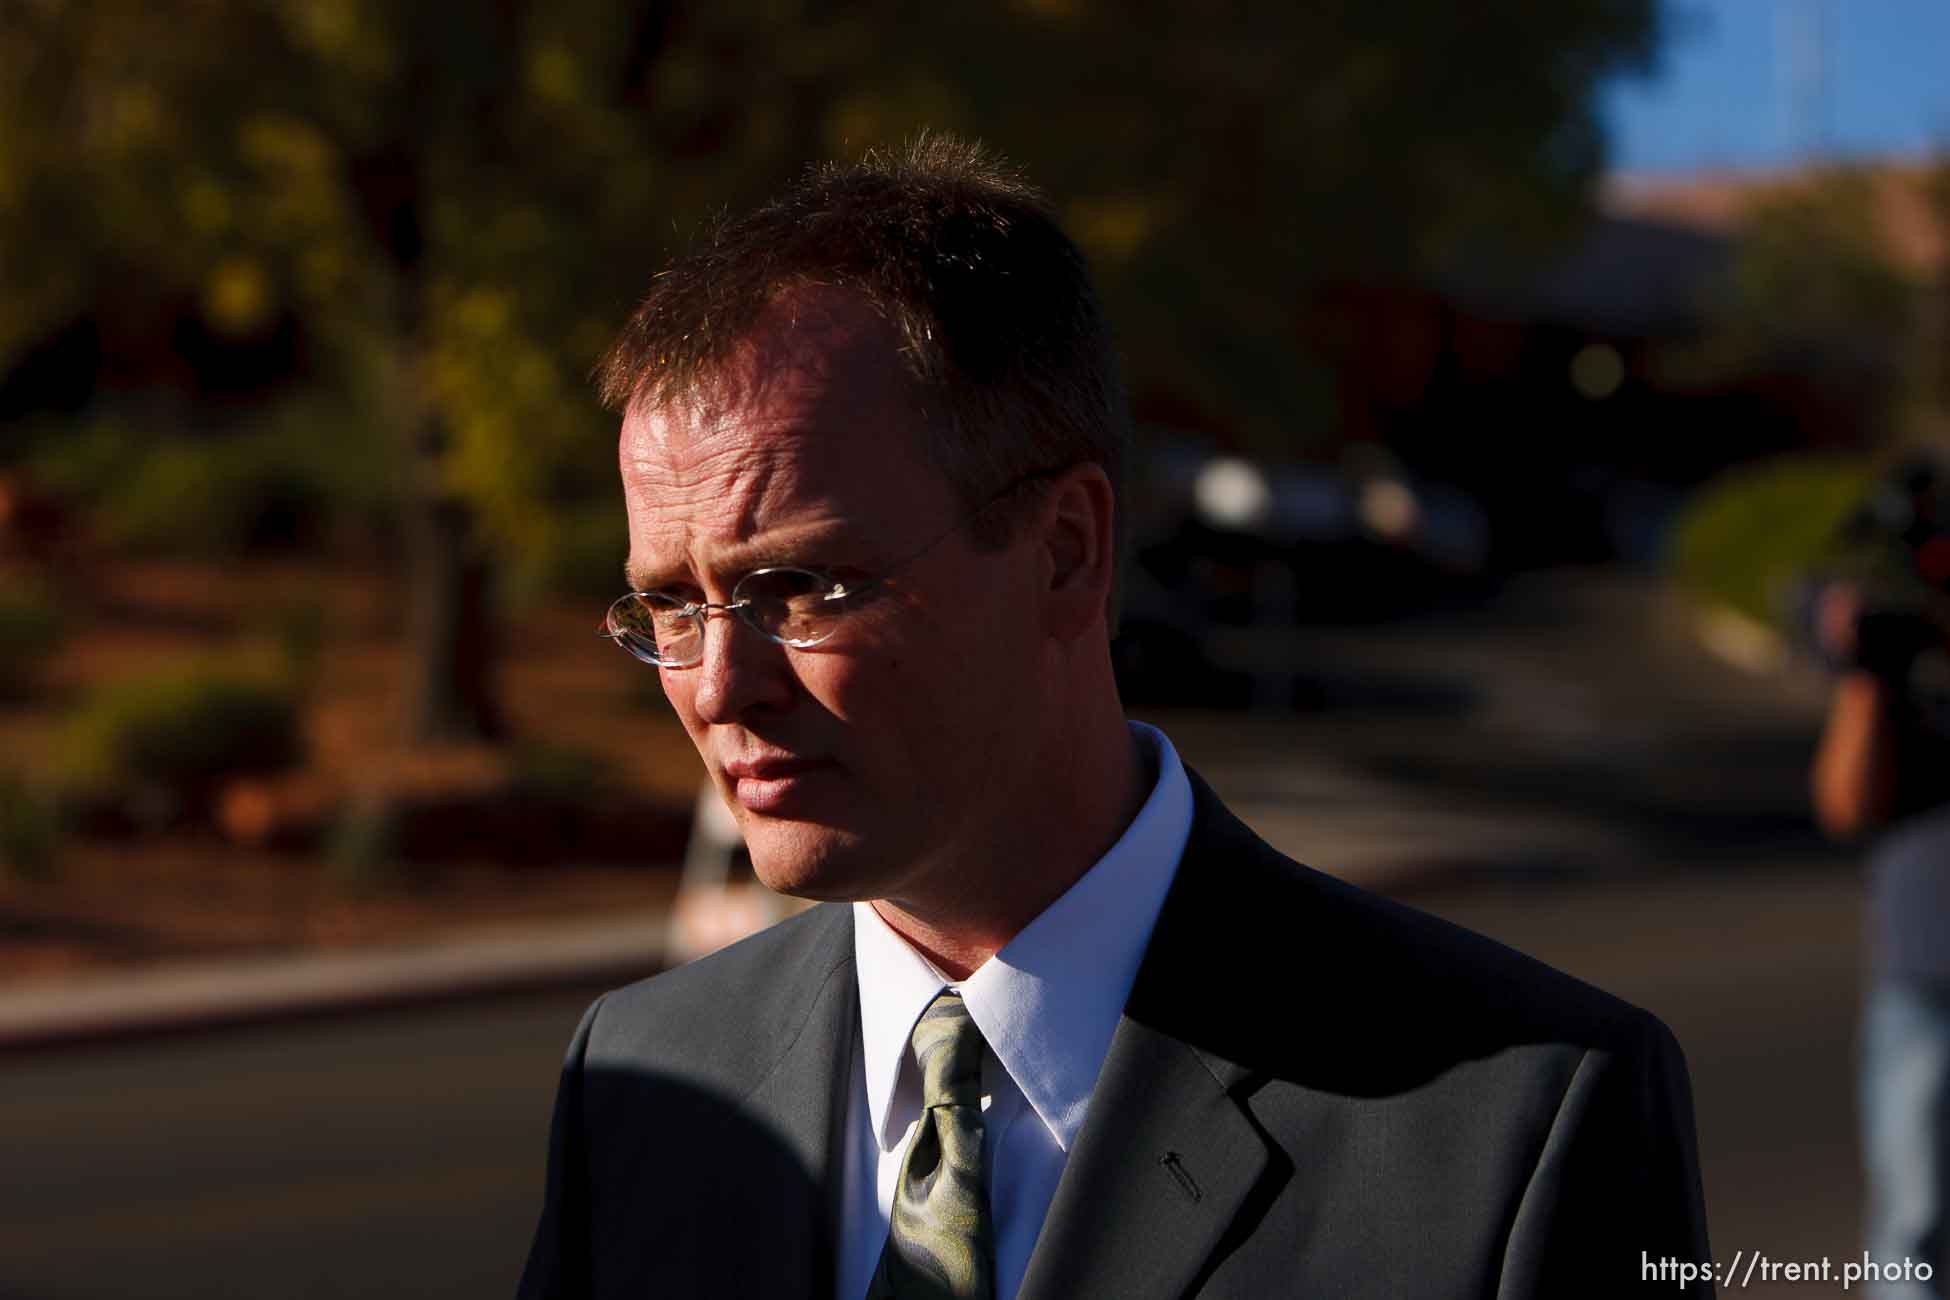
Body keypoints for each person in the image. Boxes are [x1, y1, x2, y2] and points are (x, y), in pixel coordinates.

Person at [518, 135, 1712, 1300]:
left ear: (1067, 552)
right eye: (670, 604)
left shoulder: (1523, 1118)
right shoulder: (642, 1080)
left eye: (799, 588)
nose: (720, 685)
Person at [1811, 452, 1950, 1300]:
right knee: (1912, 1238)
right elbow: (1845, 802)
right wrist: (1869, 675)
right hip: (1927, 979)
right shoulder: (1896, 654)